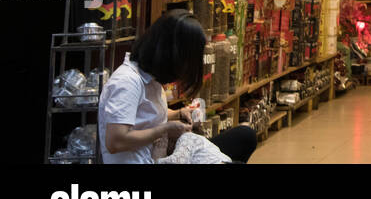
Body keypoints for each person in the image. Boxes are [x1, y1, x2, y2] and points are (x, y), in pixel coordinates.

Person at [99, 9, 257, 163]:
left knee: (244, 136)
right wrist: (164, 130)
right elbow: (115, 142)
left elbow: (144, 115)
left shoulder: (150, 78)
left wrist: (179, 113)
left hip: (160, 155)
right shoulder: (127, 82)